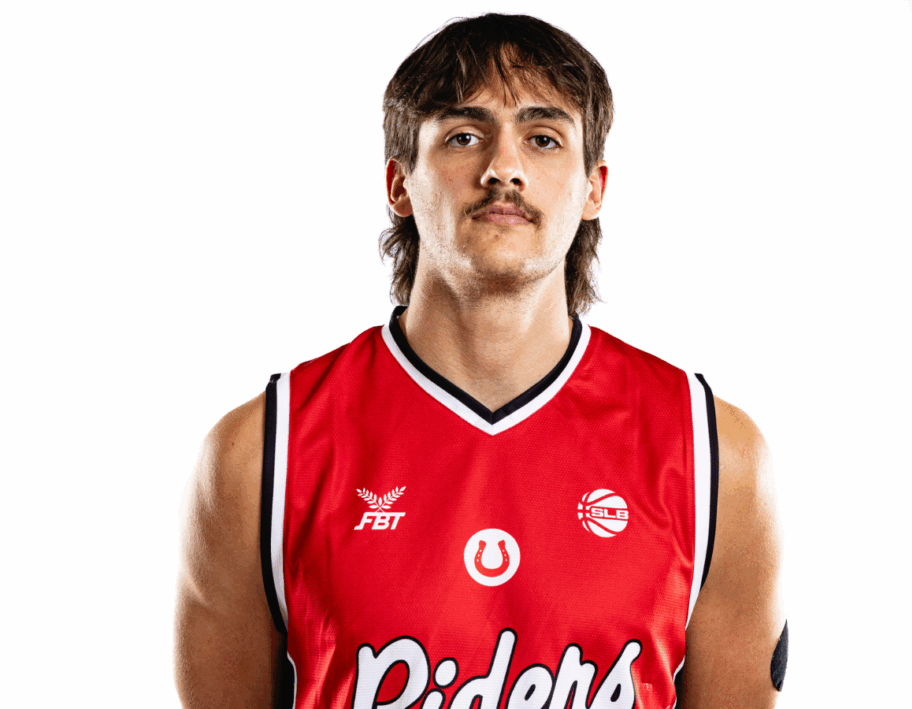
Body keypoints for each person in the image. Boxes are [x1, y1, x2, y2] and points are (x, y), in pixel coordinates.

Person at [174, 13, 785, 709]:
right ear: (399, 184)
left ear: (594, 188)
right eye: (464, 136)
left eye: (543, 138)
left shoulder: (714, 457)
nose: (504, 168)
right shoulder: (261, 455)